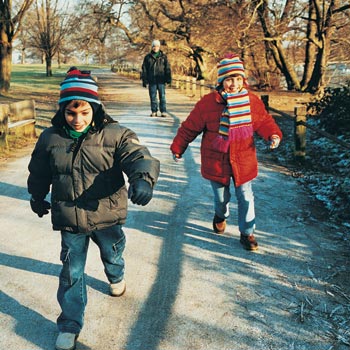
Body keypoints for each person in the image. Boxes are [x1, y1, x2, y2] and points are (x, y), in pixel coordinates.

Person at [27, 67, 160, 350]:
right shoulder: (50, 138)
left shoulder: (115, 134)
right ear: (62, 110)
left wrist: (143, 178)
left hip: (106, 216)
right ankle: (69, 324)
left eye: (85, 112)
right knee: (72, 271)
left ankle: (116, 275)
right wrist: (37, 196)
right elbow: (38, 171)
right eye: (71, 113)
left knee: (112, 254)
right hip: (70, 218)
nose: (78, 120)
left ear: (96, 109)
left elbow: (138, 156)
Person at [170, 53, 282, 251]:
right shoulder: (207, 104)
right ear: (221, 81)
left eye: (238, 79)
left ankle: (247, 233)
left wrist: (273, 135)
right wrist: (179, 147)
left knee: (246, 197)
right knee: (222, 199)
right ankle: (220, 215)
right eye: (229, 79)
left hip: (243, 159)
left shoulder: (251, 101)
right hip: (216, 160)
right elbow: (189, 127)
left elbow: (264, 121)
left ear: (243, 80)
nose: (234, 84)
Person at [141, 39, 172, 118]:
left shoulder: (163, 57)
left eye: (157, 46)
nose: (155, 48)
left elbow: (167, 68)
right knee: (153, 97)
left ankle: (163, 111)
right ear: (152, 47)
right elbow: (144, 69)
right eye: (154, 46)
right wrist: (144, 80)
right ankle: (154, 111)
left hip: (161, 80)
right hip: (152, 80)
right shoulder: (147, 57)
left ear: (159, 47)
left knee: (162, 97)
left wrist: (168, 79)